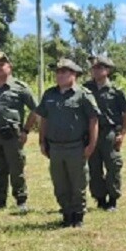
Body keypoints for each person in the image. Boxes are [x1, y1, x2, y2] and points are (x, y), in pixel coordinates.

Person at [35, 59, 100, 228]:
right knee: (60, 183)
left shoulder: (83, 94)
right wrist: (42, 141)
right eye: (58, 72)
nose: (60, 75)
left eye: (64, 72)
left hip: (76, 146)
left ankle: (78, 215)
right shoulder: (49, 94)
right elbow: (44, 119)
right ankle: (66, 213)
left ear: (74, 74)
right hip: (55, 147)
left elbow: (93, 120)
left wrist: (92, 144)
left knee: (77, 183)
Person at [0, 51, 36, 213]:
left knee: (16, 168)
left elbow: (36, 110)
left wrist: (26, 130)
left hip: (12, 135)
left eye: (1, 64)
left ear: (9, 67)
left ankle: (21, 199)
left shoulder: (20, 87)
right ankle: (0, 200)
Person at [84, 55, 126, 212]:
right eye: (94, 68)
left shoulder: (116, 91)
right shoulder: (86, 89)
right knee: (94, 167)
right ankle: (100, 199)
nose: (95, 71)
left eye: (99, 67)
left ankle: (112, 199)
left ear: (107, 70)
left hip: (109, 132)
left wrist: (122, 134)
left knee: (113, 165)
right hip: (91, 133)